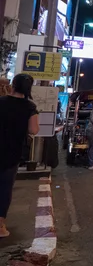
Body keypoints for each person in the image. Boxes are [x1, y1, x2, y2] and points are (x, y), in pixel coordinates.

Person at [0, 74, 39, 238]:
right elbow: (33, 130)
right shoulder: (29, 106)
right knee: (4, 188)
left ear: (13, 85)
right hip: (12, 153)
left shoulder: (1, 101)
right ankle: (0, 226)